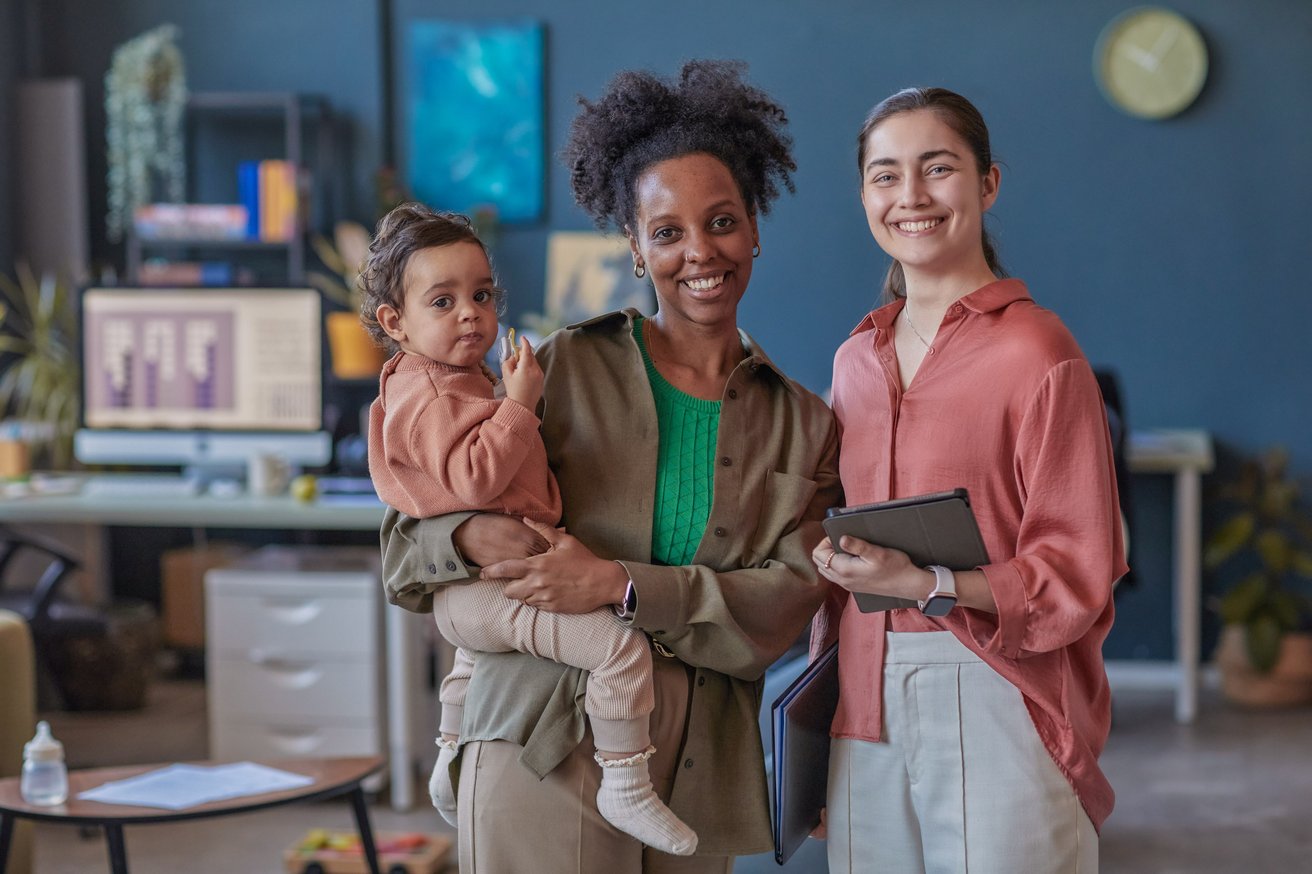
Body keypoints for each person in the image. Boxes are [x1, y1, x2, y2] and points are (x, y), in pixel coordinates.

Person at [378, 59, 841, 873]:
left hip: (700, 777)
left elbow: (788, 607)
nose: (700, 251)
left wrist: (620, 586)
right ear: (634, 246)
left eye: (722, 221)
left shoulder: (804, 425)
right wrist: (474, 537)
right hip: (538, 745)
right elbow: (406, 546)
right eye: (666, 232)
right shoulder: (551, 371)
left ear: (756, 226)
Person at [810, 87, 1127, 873]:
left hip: (996, 682)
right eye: (885, 176)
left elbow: (1081, 567)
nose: (910, 197)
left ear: (987, 184)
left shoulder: (1038, 352)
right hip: (863, 688)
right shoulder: (855, 360)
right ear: (863, 196)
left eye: (937, 168)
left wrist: (929, 582)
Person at [362, 203, 697, 855]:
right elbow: (475, 479)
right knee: (617, 649)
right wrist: (519, 405)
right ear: (394, 322)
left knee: (471, 661)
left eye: (482, 295)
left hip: (474, 597)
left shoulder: (450, 379)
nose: (469, 313)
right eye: (443, 300)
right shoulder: (432, 394)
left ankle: (447, 755)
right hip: (487, 585)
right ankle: (625, 782)